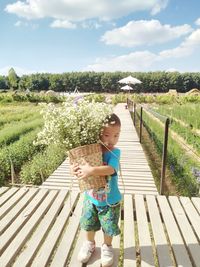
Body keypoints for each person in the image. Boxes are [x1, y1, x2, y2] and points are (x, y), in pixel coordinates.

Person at [73, 113, 121, 267]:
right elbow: (76, 164)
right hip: (91, 197)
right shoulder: (90, 150)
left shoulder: (115, 152)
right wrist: (75, 169)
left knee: (108, 226)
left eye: (116, 135)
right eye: (107, 135)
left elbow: (111, 169)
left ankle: (107, 247)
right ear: (97, 133)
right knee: (88, 223)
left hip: (110, 200)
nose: (111, 140)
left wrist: (91, 170)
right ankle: (89, 243)